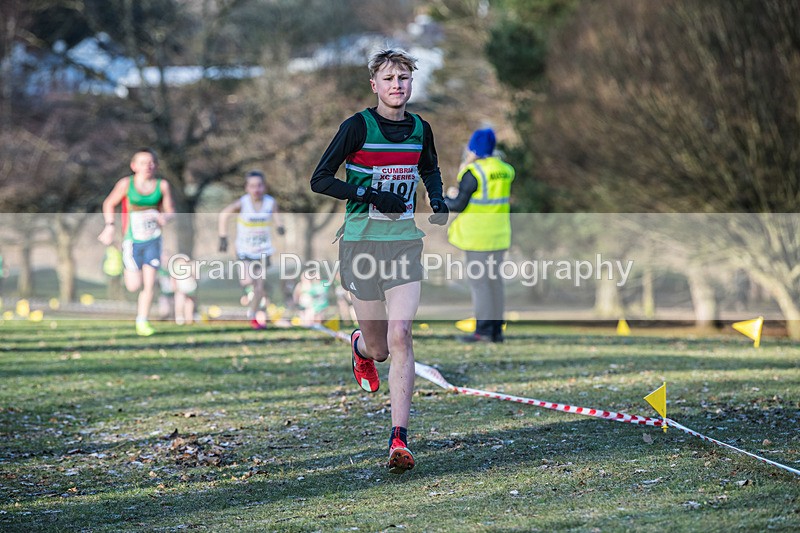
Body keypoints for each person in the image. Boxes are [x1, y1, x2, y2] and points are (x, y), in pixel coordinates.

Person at [310, 48, 449, 474]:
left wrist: (437, 198)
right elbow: (320, 180)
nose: (397, 86)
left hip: (404, 243)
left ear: (411, 84)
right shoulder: (357, 127)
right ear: (375, 85)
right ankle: (359, 347)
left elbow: (429, 168)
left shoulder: (421, 128)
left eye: (404, 79)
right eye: (388, 79)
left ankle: (398, 440)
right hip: (361, 245)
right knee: (379, 348)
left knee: (401, 335)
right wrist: (371, 194)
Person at [445, 128, 515, 343]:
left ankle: (483, 332)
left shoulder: (473, 172)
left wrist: (445, 199)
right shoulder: (505, 170)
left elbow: (459, 204)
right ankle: (496, 332)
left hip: (478, 238)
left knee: (480, 285)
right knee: (495, 283)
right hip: (500, 235)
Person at [97, 148, 175, 336]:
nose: (147, 166)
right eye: (142, 162)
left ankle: (142, 321)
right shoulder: (126, 184)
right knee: (133, 285)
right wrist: (110, 226)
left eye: (151, 163)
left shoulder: (162, 185)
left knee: (149, 284)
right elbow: (109, 203)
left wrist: (164, 217)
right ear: (134, 166)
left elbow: (171, 210)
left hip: (153, 240)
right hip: (132, 240)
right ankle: (121, 259)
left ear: (156, 165)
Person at [217, 170, 285, 330]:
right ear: (247, 187)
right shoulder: (243, 203)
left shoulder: (270, 202)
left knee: (259, 288)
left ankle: (253, 316)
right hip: (245, 249)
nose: (257, 189)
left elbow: (276, 215)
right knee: (247, 280)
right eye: (253, 186)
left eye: (260, 185)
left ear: (265, 187)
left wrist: (280, 226)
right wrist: (223, 236)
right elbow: (224, 214)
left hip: (263, 250)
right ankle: (249, 292)